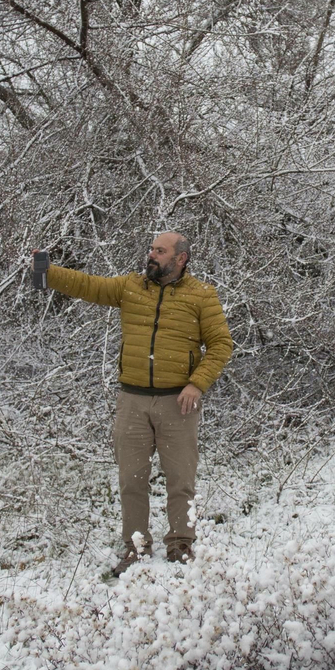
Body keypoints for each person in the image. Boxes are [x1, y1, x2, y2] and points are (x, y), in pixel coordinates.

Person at [32, 232, 233, 576]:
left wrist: (196, 384)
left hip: (178, 404)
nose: (151, 255)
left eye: (160, 250)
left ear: (180, 258)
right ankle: (136, 548)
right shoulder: (130, 287)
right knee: (131, 479)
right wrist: (47, 272)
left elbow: (221, 345)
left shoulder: (201, 296)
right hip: (132, 400)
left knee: (180, 479)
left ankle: (181, 544)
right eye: (151, 249)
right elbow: (87, 285)